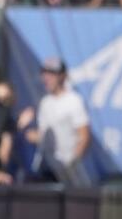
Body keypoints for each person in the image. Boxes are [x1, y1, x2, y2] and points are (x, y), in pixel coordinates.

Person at [21, 57, 92, 186]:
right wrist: (27, 131)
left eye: (52, 73)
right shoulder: (45, 102)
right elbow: (44, 136)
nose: (46, 77)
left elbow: (84, 137)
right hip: (47, 171)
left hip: (69, 173)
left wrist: (72, 165)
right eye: (44, 73)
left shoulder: (73, 101)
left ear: (62, 76)